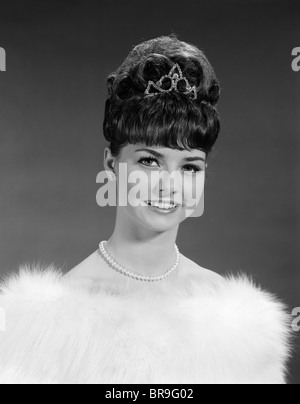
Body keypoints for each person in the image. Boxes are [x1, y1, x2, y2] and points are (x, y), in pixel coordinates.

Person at [0, 34, 292, 384]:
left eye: (189, 167)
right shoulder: (49, 322)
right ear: (111, 164)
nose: (169, 184)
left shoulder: (233, 315)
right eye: (150, 161)